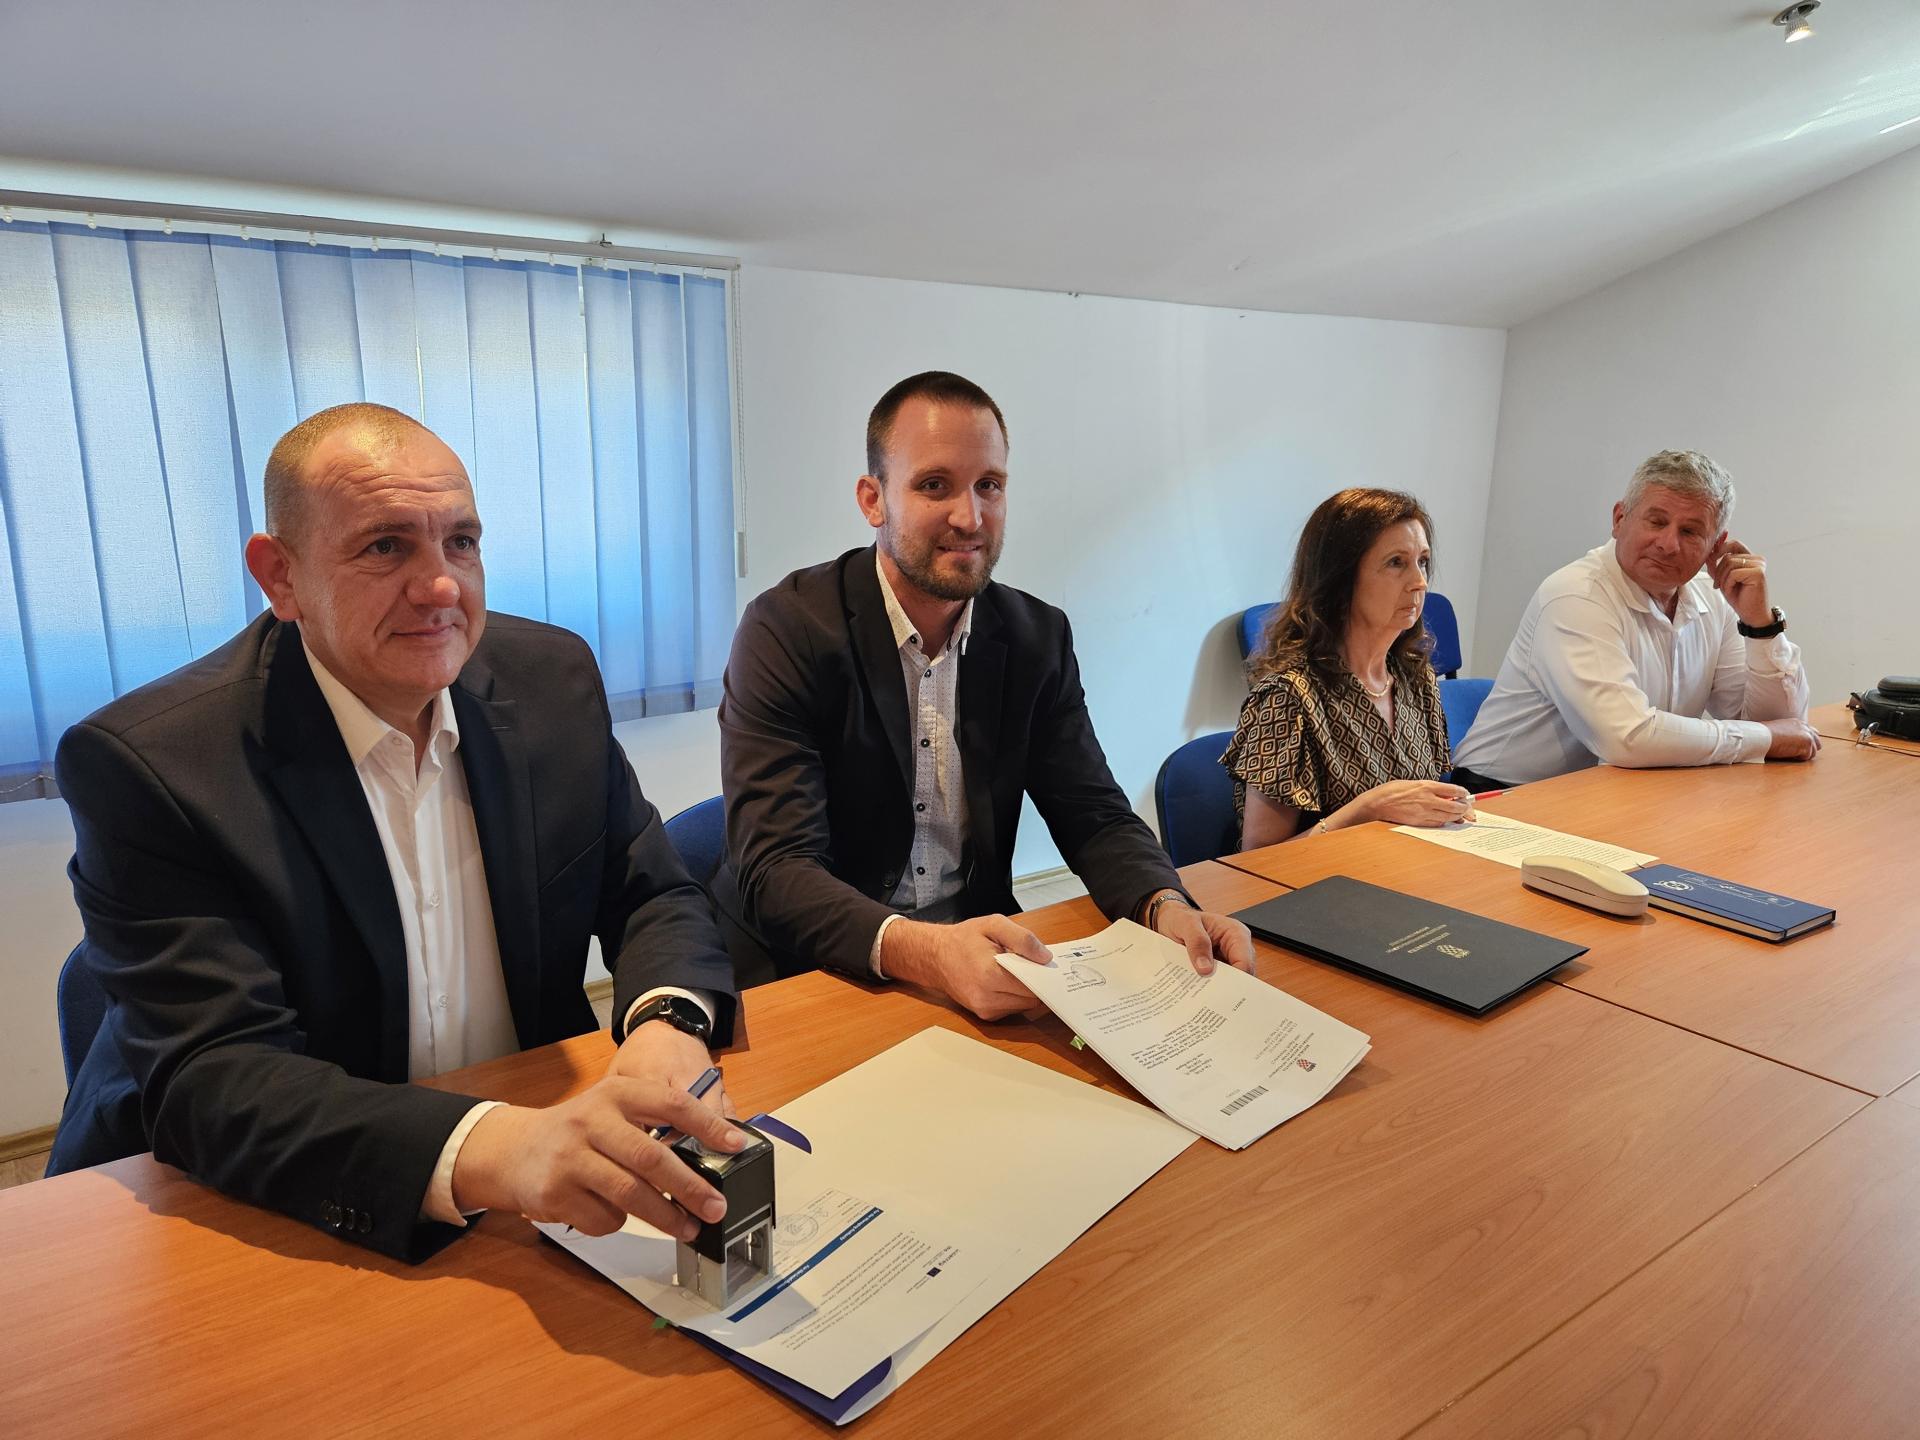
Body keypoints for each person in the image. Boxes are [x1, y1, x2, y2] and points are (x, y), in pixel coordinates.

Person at [48, 403, 748, 1263]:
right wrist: (498, 1147)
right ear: (280, 576)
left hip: (536, 1173)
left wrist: (666, 1023)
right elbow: (217, 1079)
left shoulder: (550, 680)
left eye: (462, 542)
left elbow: (650, 889)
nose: (442, 587)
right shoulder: (154, 764)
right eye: (386, 547)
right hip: (266, 1203)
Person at [714, 371, 1253, 1016]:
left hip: (976, 957)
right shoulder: (787, 630)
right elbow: (776, 867)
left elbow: (1094, 813)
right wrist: (926, 951)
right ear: (873, 500)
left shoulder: (1035, 636)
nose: (969, 517)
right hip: (812, 969)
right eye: (934, 485)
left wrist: (1164, 905)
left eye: (989, 486)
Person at [1452, 450, 1817, 789]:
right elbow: (1627, 738)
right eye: (1656, 522)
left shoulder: (1714, 597)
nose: (1668, 544)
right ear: (1619, 519)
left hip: (1618, 790)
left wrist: (1760, 625)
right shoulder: (1576, 595)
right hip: (1502, 796)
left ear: (1716, 545)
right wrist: (1767, 738)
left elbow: (1786, 728)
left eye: (1690, 531)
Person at [1225, 488, 1472, 849]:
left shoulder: (1416, 679)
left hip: (1406, 868)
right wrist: (1368, 808)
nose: (1419, 581)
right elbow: (1259, 858)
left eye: (1422, 561)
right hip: (1325, 883)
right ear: (1341, 579)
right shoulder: (1287, 698)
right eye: (1396, 563)